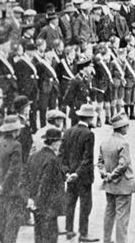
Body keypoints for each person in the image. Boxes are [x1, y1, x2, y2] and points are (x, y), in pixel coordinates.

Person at [61, 103, 98, 242]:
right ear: (89, 118)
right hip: (83, 177)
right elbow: (87, 158)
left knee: (70, 203)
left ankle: (69, 230)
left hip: (69, 175)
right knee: (85, 205)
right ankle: (83, 233)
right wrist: (78, 173)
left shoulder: (68, 131)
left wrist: (66, 173)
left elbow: (62, 155)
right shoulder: (88, 134)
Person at [98, 114, 135, 243]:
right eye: (126, 126)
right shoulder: (123, 143)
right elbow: (123, 164)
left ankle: (107, 240)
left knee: (109, 212)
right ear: (122, 127)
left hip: (109, 184)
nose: (127, 128)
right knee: (122, 216)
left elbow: (100, 162)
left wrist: (105, 174)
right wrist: (113, 175)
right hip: (122, 184)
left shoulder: (105, 142)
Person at [28, 126, 67, 243]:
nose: (60, 144)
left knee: (39, 235)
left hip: (35, 204)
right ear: (54, 142)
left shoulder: (34, 156)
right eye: (59, 141)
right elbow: (45, 183)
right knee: (50, 237)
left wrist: (31, 199)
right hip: (48, 205)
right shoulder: (52, 159)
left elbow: (27, 178)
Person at [0, 115, 29, 243]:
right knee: (12, 225)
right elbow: (14, 170)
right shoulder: (16, 145)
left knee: (1, 221)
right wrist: (3, 185)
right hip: (13, 191)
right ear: (15, 130)